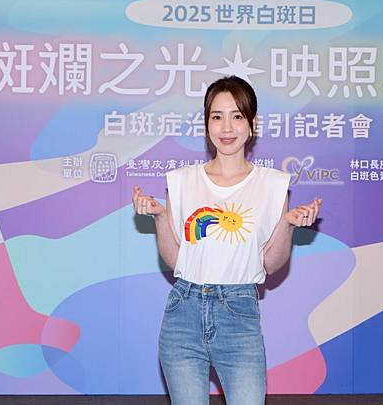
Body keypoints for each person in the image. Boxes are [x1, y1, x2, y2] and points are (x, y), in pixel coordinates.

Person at [132, 75, 322, 405]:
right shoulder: (182, 181)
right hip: (183, 314)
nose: (227, 127)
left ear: (252, 123)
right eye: (217, 117)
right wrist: (161, 218)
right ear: (207, 124)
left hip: (239, 313)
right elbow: (176, 261)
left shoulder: (273, 184)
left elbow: (270, 264)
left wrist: (288, 226)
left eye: (237, 116)